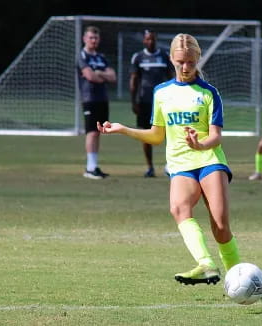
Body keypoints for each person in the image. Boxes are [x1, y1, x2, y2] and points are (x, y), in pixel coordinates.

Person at [98, 33, 240, 284]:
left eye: (190, 62)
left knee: (220, 226)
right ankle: (206, 264)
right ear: (172, 60)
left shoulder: (209, 94)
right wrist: (123, 129)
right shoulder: (162, 93)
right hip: (180, 165)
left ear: (197, 60)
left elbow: (216, 137)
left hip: (209, 161)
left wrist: (200, 143)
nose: (185, 67)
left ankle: (238, 278)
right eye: (179, 62)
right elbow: (156, 136)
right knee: (178, 209)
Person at [130, 30, 174, 177]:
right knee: (146, 134)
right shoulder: (138, 57)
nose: (151, 41)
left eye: (153, 39)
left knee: (171, 132)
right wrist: (133, 101)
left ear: (156, 39)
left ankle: (172, 165)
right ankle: (150, 167)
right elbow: (134, 81)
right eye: (148, 39)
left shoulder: (164, 56)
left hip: (164, 101)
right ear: (144, 41)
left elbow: (171, 77)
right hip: (145, 101)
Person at [77, 26, 116, 179]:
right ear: (84, 39)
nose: (93, 40)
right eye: (90, 38)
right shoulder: (82, 56)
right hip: (90, 98)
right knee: (91, 132)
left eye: (96, 38)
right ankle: (90, 167)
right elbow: (90, 76)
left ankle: (94, 165)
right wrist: (101, 75)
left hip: (102, 98)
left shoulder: (101, 57)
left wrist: (100, 74)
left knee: (99, 132)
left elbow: (113, 77)